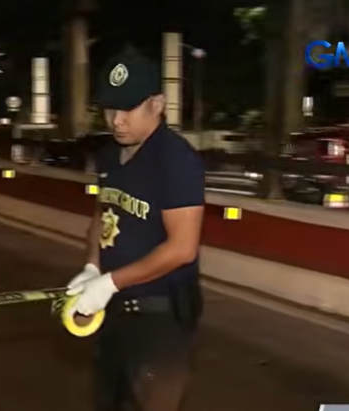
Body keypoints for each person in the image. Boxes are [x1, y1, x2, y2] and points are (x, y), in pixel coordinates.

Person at [65, 47, 206, 411]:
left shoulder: (176, 160)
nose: (117, 120)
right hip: (113, 312)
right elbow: (103, 214)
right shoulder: (110, 154)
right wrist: (92, 268)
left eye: (128, 108)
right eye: (110, 109)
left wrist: (108, 283)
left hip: (159, 316)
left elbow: (182, 248)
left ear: (157, 104)